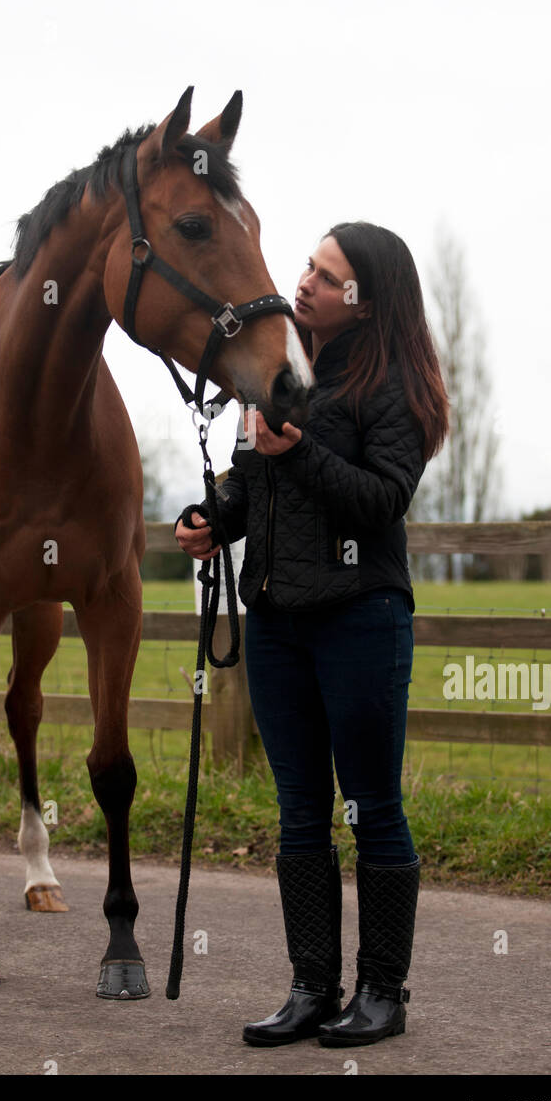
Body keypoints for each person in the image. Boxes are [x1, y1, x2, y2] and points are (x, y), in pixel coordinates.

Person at [175, 221, 449, 1049]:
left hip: (362, 617)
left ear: (366, 304)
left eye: (328, 278)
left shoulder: (394, 387)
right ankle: (309, 987)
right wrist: (213, 519)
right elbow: (251, 482)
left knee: (371, 809)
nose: (305, 283)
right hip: (277, 621)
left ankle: (382, 993)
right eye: (310, 266)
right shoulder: (275, 368)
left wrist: (295, 457)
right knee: (300, 811)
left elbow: (381, 501)